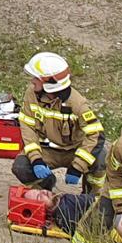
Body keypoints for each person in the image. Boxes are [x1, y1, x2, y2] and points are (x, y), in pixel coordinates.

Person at [11, 52, 106, 192]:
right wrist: (36, 159)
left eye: (36, 78)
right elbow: (28, 128)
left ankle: (92, 198)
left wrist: (78, 166)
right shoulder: (31, 94)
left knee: (100, 159)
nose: (32, 81)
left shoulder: (78, 104)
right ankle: (46, 188)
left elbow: (96, 135)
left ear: (49, 84)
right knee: (21, 167)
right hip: (48, 150)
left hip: (74, 150)